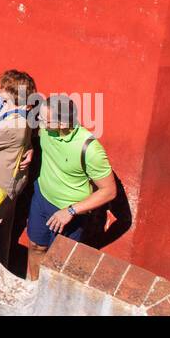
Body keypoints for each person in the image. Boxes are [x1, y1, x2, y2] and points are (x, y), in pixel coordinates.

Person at [26, 93, 116, 280]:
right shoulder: (47, 130)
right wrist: (31, 149)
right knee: (35, 246)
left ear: (62, 123)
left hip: (68, 214)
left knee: (57, 262)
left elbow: (109, 191)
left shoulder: (90, 149)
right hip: (41, 198)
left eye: (45, 120)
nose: (39, 123)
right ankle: (32, 286)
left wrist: (71, 211)